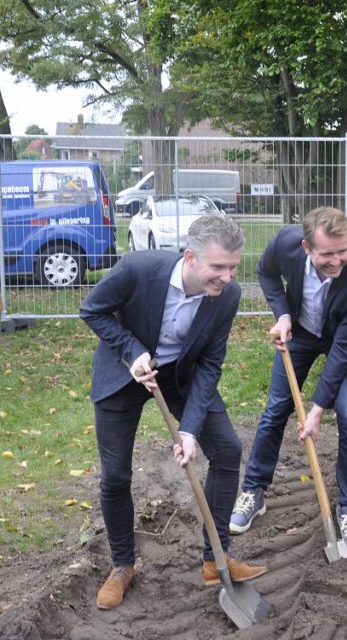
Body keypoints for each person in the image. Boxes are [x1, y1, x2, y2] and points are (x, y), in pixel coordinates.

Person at [80, 214, 265, 610]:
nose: (228, 277)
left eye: (233, 267)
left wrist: (190, 430)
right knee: (115, 476)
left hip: (182, 377)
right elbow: (92, 310)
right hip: (124, 374)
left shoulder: (226, 297)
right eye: (218, 267)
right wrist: (132, 352)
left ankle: (216, 558)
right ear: (191, 258)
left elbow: (211, 364)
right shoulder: (137, 270)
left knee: (228, 450)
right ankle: (122, 566)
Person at [229, 207, 347, 556]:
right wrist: (282, 315)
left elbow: (342, 352)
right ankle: (254, 490)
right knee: (276, 408)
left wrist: (316, 410)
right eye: (327, 253)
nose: (338, 260)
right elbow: (265, 273)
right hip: (301, 332)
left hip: (346, 341)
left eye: (343, 250)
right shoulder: (284, 244)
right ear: (306, 247)